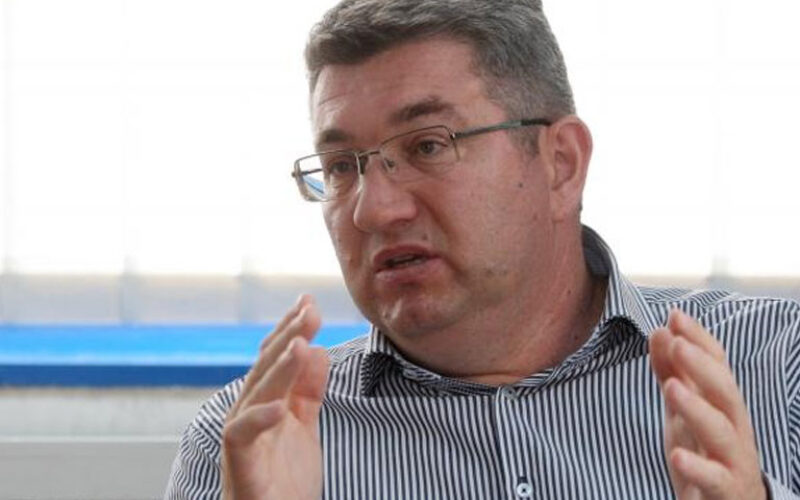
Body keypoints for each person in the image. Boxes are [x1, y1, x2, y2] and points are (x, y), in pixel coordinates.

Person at [164, 1, 800, 498]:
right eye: (339, 167)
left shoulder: (776, 366)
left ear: (560, 163)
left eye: (428, 146)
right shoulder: (249, 439)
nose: (373, 209)